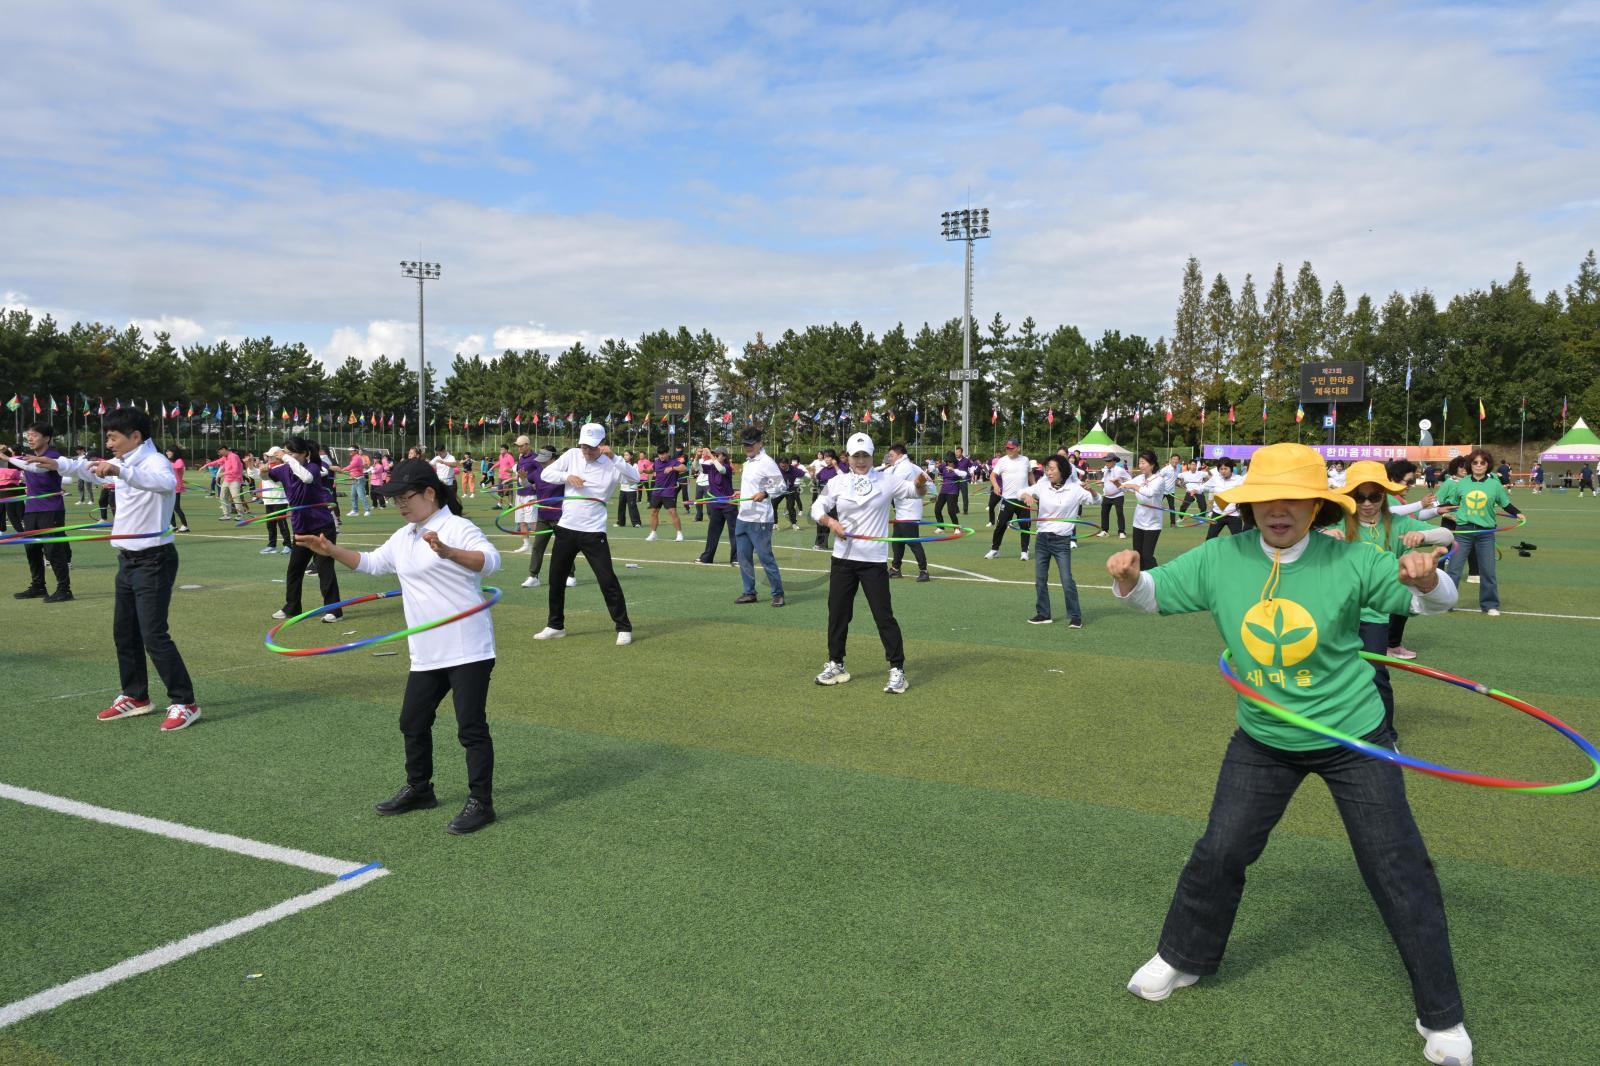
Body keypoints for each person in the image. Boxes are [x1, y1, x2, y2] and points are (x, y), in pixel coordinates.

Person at [1108, 442, 1471, 1066]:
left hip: (1352, 739)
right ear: (1249, 505)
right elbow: (1153, 596)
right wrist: (1129, 578)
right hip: (1265, 738)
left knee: (1399, 867)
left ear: (1315, 506)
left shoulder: (1352, 558)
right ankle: (1182, 957)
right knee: (1219, 850)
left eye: (1294, 499)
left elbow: (1431, 600)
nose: (1279, 510)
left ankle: (1442, 1016)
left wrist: (1430, 578)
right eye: (1266, 499)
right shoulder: (1222, 556)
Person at [296, 458, 501, 835]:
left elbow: (490, 561)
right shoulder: (405, 535)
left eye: (406, 497)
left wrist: (449, 552)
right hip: (426, 650)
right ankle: (420, 790)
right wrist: (330, 550)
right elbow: (373, 563)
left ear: (429, 493)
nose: (401, 505)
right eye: (395, 499)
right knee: (412, 721)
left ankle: (481, 803)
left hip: (468, 646)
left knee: (470, 727)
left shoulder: (456, 527)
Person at [31, 407, 200, 729]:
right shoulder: (123, 462)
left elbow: (164, 483)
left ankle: (184, 701)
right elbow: (90, 468)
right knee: (124, 632)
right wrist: (57, 463)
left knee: (154, 635)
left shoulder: (154, 463)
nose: (108, 443)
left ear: (135, 437)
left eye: (112, 437)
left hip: (154, 560)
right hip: (127, 559)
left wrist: (119, 472)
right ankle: (136, 696)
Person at [1330, 460, 1454, 733]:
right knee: (1334, 674)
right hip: (1336, 611)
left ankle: (1386, 734)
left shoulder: (1396, 524)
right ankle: (1337, 728)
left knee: (1376, 673)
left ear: (1384, 496)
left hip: (1374, 613)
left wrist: (1422, 537)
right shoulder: (1338, 522)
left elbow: (1446, 534)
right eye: (1359, 496)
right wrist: (1326, 536)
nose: (1366, 503)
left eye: (1374, 496)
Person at [811, 432, 927, 692]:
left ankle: (897, 669)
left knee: (883, 616)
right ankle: (836, 663)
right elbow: (817, 507)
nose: (860, 461)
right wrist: (830, 522)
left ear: (873, 456)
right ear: (848, 457)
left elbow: (915, 492)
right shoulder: (838, 482)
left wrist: (920, 483)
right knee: (838, 614)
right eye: (856, 456)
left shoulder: (888, 481)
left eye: (865, 455)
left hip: (873, 561)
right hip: (842, 560)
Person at [533, 423, 636, 644]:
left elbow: (635, 478)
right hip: (566, 528)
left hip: (593, 531)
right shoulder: (572, 456)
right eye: (583, 447)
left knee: (607, 579)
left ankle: (623, 627)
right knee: (556, 579)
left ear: (601, 445)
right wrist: (568, 477)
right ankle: (555, 625)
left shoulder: (612, 464)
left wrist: (616, 457)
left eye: (591, 447)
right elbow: (547, 474)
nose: (586, 451)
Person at [267, 436, 343, 624]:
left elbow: (306, 478)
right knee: (294, 570)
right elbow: (266, 476)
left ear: (305, 454)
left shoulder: (313, 468)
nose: (287, 456)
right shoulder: (285, 469)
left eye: (292, 453)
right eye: (286, 452)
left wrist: (285, 458)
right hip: (301, 528)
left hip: (321, 527)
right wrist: (255, 468)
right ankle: (292, 607)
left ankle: (334, 610)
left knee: (325, 569)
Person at [1437, 449, 1521, 616]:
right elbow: (1452, 502)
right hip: (1463, 531)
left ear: (1487, 465)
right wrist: (1439, 508)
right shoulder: (1461, 483)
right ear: (1470, 465)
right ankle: (1447, 602)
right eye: (1475, 462)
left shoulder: (1495, 484)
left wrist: (1517, 513)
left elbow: (1505, 503)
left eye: (1483, 463)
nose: (1479, 465)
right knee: (1454, 569)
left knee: (1488, 570)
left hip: (1486, 533)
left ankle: (1490, 605)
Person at [1021, 454, 1092, 628]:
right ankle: (1043, 614)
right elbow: (1021, 492)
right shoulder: (1043, 485)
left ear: (1062, 470)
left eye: (1052, 468)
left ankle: (1075, 616)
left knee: (1067, 579)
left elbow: (1095, 500)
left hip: (1061, 541)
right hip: (1042, 539)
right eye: (1047, 468)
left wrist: (1093, 491)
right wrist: (1026, 496)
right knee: (1040, 579)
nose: (1048, 471)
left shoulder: (1074, 489)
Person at [8, 422, 72, 602]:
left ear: (47, 438)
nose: (30, 438)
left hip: (51, 509)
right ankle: (38, 586)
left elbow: (34, 467)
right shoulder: (26, 456)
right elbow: (19, 465)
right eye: (28, 435)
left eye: (34, 435)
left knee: (53, 550)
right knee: (32, 548)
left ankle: (64, 589)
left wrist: (5, 456)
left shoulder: (53, 456)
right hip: (31, 509)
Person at [734, 428, 787, 605]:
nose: (747, 448)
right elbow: (752, 485)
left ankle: (778, 594)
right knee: (743, 557)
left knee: (765, 557)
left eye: (750, 445)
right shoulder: (748, 462)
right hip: (743, 517)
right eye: (745, 445)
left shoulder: (767, 462)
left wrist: (764, 493)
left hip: (760, 520)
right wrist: (740, 493)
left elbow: (781, 486)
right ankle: (749, 592)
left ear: (760, 443)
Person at [518, 446, 573, 590]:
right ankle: (533, 576)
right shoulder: (537, 472)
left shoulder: (563, 473)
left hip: (560, 516)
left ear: (554, 459)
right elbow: (528, 486)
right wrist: (523, 479)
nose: (541, 463)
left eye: (545, 460)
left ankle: (571, 575)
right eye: (540, 461)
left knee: (564, 548)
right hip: (543, 515)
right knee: (537, 547)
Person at [882, 442, 931, 582]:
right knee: (897, 541)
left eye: (891, 455)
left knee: (913, 542)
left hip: (909, 511)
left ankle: (924, 571)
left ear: (900, 455)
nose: (889, 457)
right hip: (902, 511)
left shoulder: (904, 467)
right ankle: (896, 569)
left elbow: (891, 483)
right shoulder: (902, 465)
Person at [985, 438, 1033, 560]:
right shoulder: (1002, 461)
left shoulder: (1025, 460)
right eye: (1007, 448)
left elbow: (1030, 474)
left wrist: (1035, 487)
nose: (1009, 450)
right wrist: (996, 486)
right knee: (1000, 525)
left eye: (1011, 448)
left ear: (1018, 448)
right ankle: (994, 549)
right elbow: (992, 476)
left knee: (1025, 527)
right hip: (1008, 499)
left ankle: (1024, 552)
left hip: (1023, 499)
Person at [1125, 450, 1168, 570]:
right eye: (1139, 463)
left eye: (1143, 463)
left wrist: (1134, 486)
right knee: (1137, 555)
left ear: (1152, 464)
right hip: (1138, 521)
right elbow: (1125, 486)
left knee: (1147, 556)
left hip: (1153, 524)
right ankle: (1142, 581)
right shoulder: (1139, 478)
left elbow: (1149, 493)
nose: (1140, 466)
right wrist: (1118, 484)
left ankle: (1157, 578)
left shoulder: (1159, 479)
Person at [696, 447, 739, 568]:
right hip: (715, 504)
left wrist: (710, 455)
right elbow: (696, 468)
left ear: (724, 456)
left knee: (734, 533)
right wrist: (697, 457)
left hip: (729, 504)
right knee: (713, 533)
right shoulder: (710, 467)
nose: (714, 456)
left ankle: (736, 559)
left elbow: (721, 470)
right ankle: (707, 558)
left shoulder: (727, 468)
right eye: (714, 454)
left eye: (717, 454)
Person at [644, 445, 686, 542]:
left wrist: (672, 468)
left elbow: (683, 468)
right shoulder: (657, 462)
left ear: (667, 453)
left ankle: (679, 534)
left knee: (672, 512)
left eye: (663, 454)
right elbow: (651, 469)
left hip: (669, 491)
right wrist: (645, 470)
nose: (661, 456)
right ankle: (653, 534)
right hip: (657, 491)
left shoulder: (673, 461)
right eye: (660, 454)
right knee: (654, 512)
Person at [204, 446, 251, 520]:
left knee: (235, 497)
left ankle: (240, 515)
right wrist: (206, 465)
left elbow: (235, 470)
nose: (219, 454)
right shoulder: (225, 457)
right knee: (222, 497)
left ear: (223, 450)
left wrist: (223, 474)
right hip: (227, 480)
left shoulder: (234, 456)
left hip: (235, 480)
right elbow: (217, 462)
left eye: (219, 452)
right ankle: (226, 515)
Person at [1202, 457, 1244, 539]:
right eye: (1221, 469)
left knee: (1239, 541)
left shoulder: (1239, 479)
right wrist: (1195, 490)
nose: (1223, 471)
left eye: (1225, 468)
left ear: (1231, 468)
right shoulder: (1216, 479)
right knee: (1210, 539)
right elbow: (1203, 487)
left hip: (1234, 515)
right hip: (1217, 514)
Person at [1094, 456, 1129, 539]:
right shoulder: (1105, 469)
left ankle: (1121, 532)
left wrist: (1123, 485)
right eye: (1106, 461)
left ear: (1114, 462)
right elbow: (1104, 479)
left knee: (1119, 513)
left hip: (1118, 495)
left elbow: (1129, 478)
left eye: (1109, 461)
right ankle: (1105, 531)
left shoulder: (1120, 470)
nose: (1107, 463)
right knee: (1104, 513)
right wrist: (1101, 482)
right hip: (1107, 496)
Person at [811, 450, 839, 548]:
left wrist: (836, 466)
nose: (826, 459)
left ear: (834, 458)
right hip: (824, 500)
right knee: (822, 521)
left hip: (836, 501)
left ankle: (845, 545)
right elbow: (816, 481)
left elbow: (843, 478)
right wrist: (812, 476)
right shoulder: (823, 470)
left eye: (829, 457)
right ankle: (821, 544)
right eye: (825, 457)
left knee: (840, 522)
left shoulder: (839, 468)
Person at [934, 452, 963, 529]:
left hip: (953, 492)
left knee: (951, 511)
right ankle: (940, 527)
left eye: (950, 462)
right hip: (943, 491)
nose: (948, 463)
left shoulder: (958, 467)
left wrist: (953, 470)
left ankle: (956, 528)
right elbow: (937, 470)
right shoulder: (944, 466)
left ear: (954, 462)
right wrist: (936, 466)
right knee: (937, 510)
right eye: (947, 461)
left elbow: (965, 474)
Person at [165, 446, 191, 532]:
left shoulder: (179, 461)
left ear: (174, 452)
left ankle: (185, 526)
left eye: (169, 451)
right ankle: (173, 525)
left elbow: (177, 467)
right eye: (167, 452)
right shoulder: (169, 462)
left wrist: (166, 463)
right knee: (169, 507)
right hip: (169, 487)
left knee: (176, 507)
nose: (167, 453)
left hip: (177, 487)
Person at [0, 448, 24, 533]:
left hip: (9, 491)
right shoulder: (14, 466)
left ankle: (21, 532)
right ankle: (2, 530)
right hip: (8, 491)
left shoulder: (11, 466)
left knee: (11, 514)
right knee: (4, 513)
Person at [344, 446, 372, 516]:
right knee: (353, 496)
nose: (350, 452)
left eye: (352, 450)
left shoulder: (357, 458)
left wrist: (342, 469)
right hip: (355, 479)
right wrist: (350, 473)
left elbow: (352, 466)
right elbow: (353, 468)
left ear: (356, 451)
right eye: (350, 450)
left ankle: (367, 510)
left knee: (361, 495)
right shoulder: (354, 457)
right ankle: (355, 511)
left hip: (359, 479)